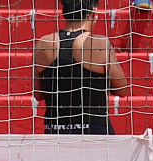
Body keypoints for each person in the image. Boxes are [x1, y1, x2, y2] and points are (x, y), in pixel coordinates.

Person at [33, 0, 128, 135]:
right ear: (93, 12)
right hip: (94, 129)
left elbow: (38, 94)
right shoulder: (99, 43)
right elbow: (122, 90)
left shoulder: (43, 43)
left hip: (55, 129)